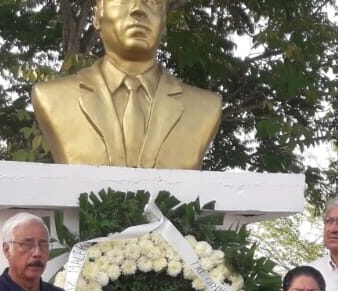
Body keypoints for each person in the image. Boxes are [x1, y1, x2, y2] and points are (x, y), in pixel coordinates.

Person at [30, 0, 222, 169]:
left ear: (163, 22)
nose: (138, 9)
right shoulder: (52, 98)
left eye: (153, 1)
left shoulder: (205, 107)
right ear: (98, 16)